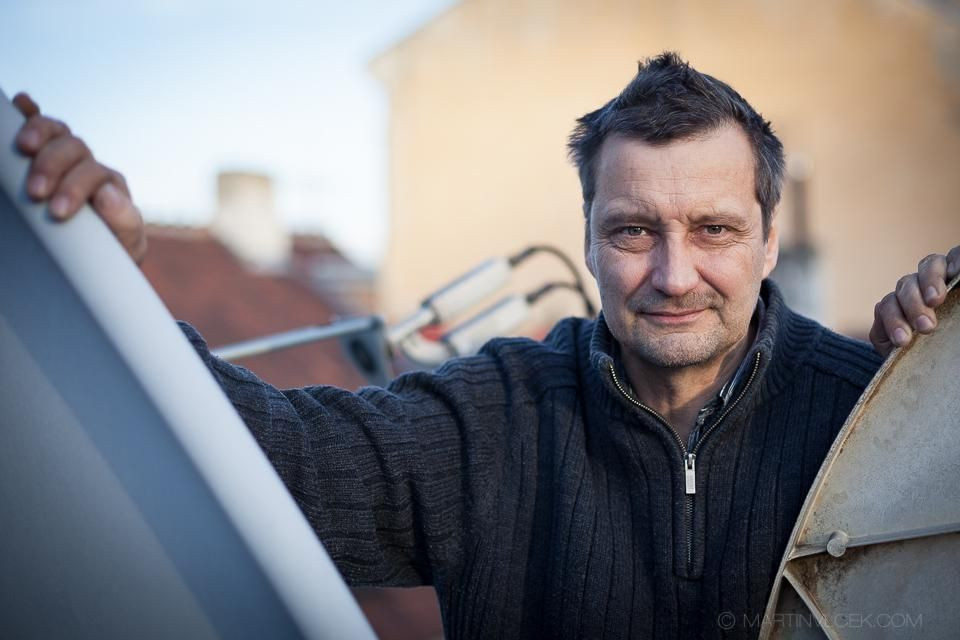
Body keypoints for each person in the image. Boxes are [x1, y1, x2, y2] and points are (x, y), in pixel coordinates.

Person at [12, 53, 959, 639]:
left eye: (713, 230)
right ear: (587, 237)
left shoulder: (876, 419)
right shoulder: (487, 418)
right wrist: (105, 287)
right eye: (634, 231)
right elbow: (259, 456)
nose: (674, 275)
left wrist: (945, 379)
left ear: (769, 237)